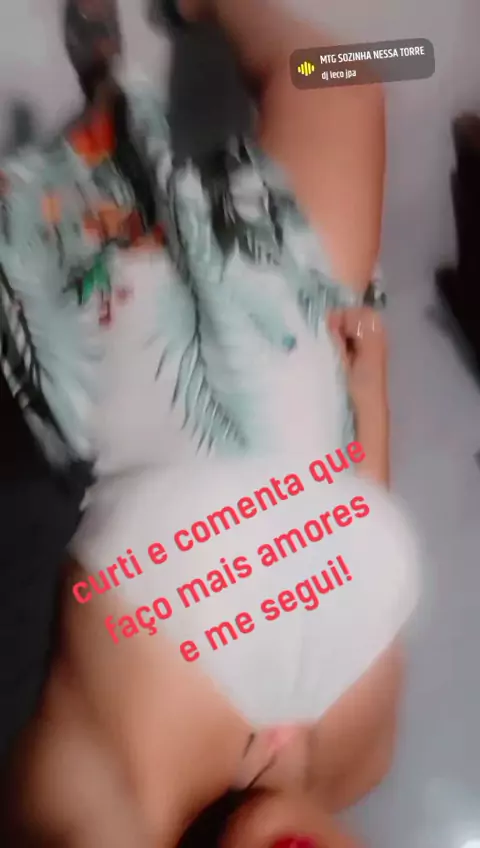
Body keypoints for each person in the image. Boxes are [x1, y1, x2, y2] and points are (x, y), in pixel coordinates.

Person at [1, 0, 417, 846]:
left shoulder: (122, 807)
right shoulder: (366, 757)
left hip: (124, 336)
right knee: (346, 78)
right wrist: (373, 400)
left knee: (103, 163)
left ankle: (101, 79)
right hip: (289, 330)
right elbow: (351, 527)